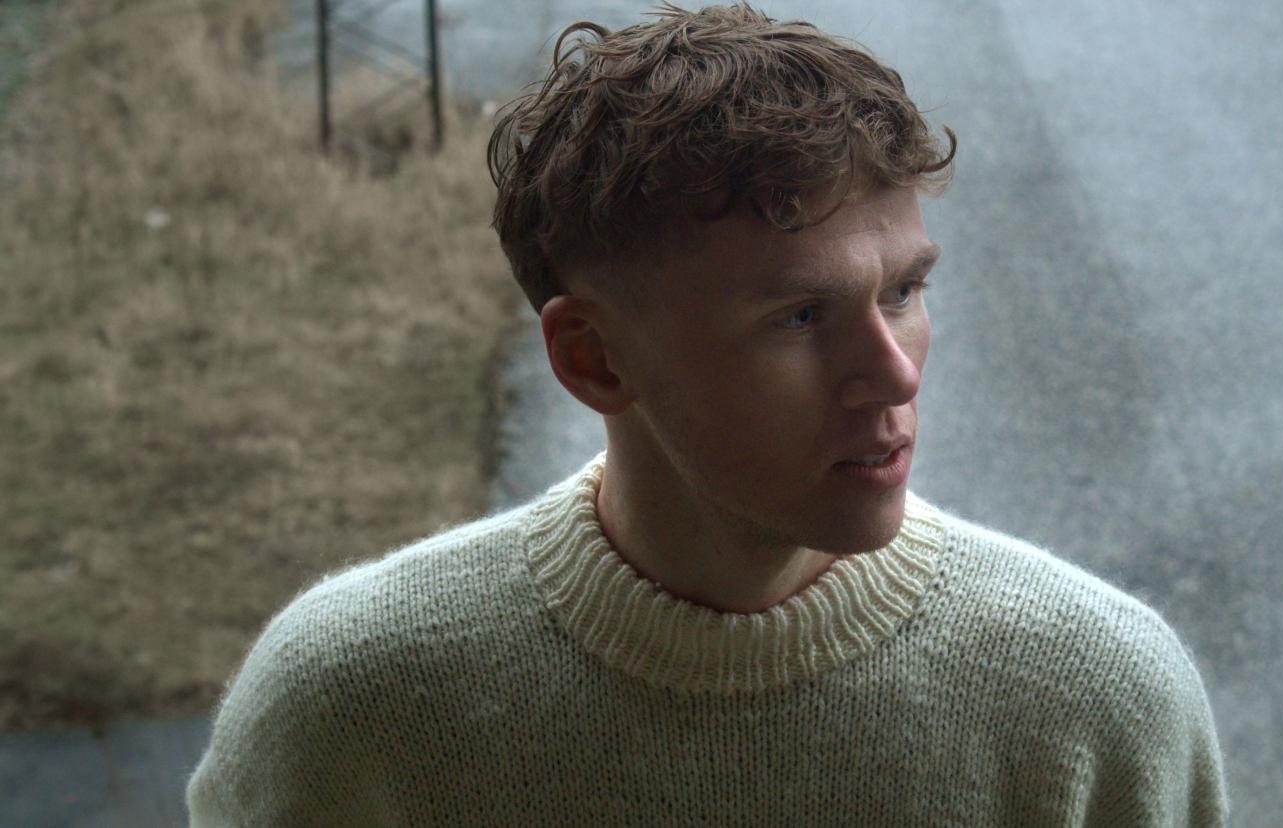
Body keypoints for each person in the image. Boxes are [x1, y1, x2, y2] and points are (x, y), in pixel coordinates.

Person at [185, 3, 1229, 824]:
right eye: (801, 316)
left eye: (904, 291)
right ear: (593, 358)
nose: (892, 375)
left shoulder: (1095, 701)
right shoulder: (349, 714)